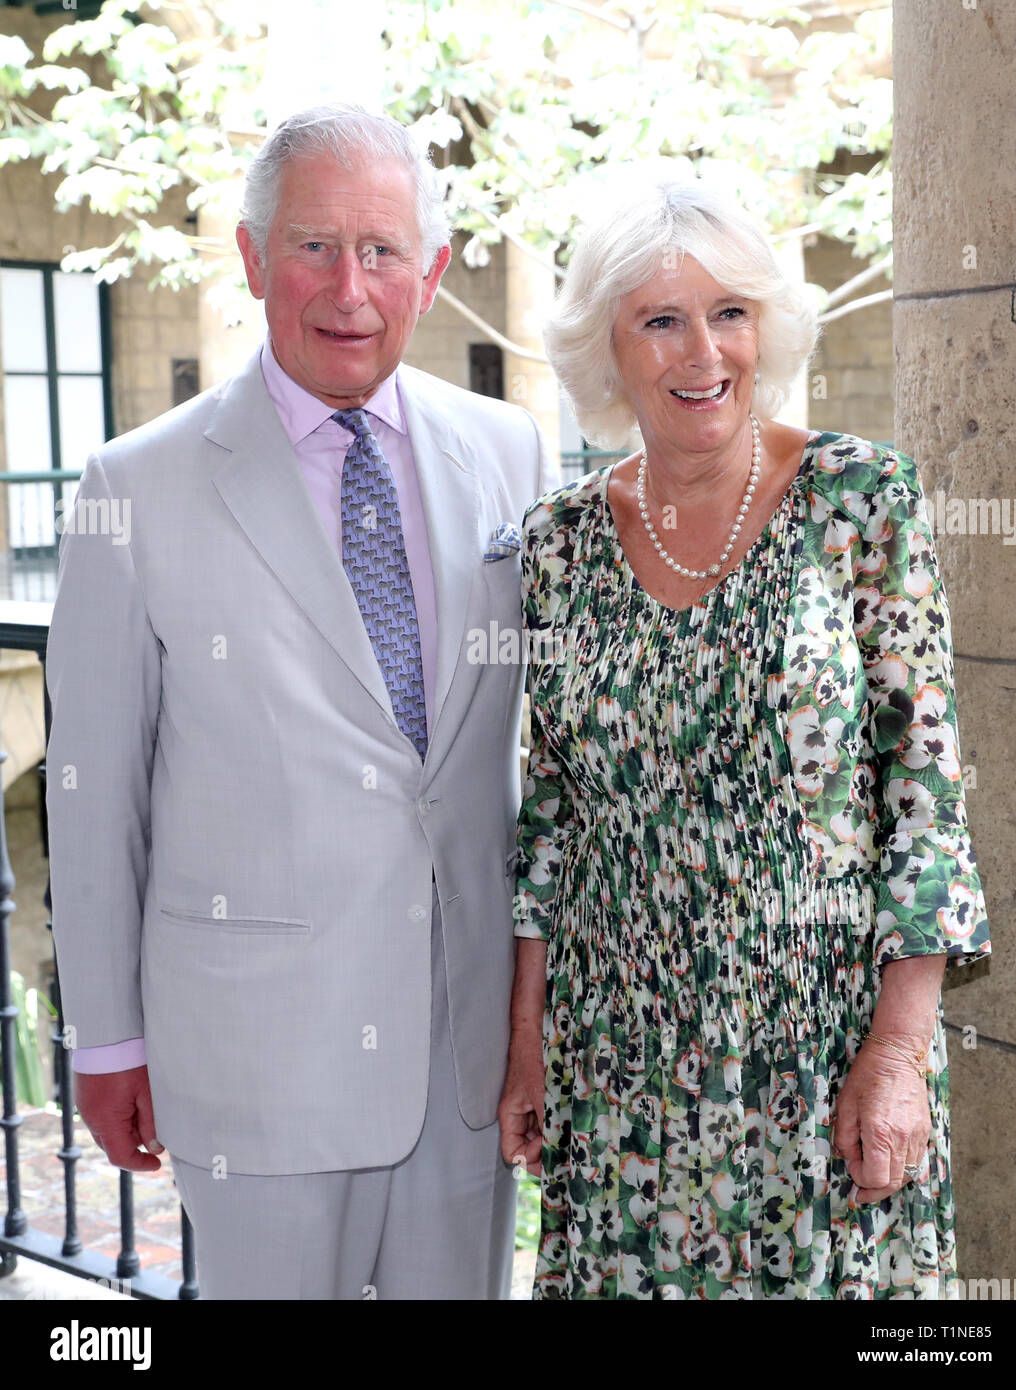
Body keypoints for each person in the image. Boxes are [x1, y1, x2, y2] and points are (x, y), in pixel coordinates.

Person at [45, 103, 555, 1300]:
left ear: (429, 272)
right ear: (250, 258)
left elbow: (543, 751)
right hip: (254, 1055)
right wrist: (107, 1038)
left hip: (463, 1049)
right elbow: (93, 788)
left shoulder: (511, 452)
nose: (349, 288)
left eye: (381, 251)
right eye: (314, 247)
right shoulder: (137, 484)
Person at [498, 171, 990, 1300]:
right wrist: (526, 1035)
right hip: (617, 1062)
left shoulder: (862, 500)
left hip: (822, 1053)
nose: (701, 353)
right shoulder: (560, 546)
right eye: (660, 320)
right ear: (606, 352)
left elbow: (924, 794)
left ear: (766, 328)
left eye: (729, 312)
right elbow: (554, 814)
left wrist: (898, 1056)